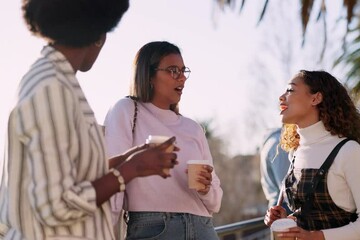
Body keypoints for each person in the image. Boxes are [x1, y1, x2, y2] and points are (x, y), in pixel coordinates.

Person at [0, 1, 180, 239]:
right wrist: (132, 168)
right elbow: (57, 205)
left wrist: (129, 158)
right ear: (98, 35)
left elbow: (69, 173)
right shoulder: (51, 88)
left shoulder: (59, 83)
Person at [104, 41, 223, 240]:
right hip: (154, 229)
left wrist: (206, 188)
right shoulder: (126, 110)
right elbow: (113, 178)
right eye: (173, 70)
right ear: (149, 75)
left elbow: (216, 202)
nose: (182, 78)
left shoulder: (192, 128)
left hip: (203, 228)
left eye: (184, 71)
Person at [264, 70, 360, 240]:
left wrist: (315, 236)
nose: (281, 97)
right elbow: (310, 217)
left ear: (315, 98)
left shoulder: (349, 152)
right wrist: (287, 220)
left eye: (290, 90)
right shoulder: (295, 152)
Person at [260, 128, 291, 213]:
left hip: (278, 203)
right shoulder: (278, 143)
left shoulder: (270, 143)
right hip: (284, 205)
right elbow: (285, 183)